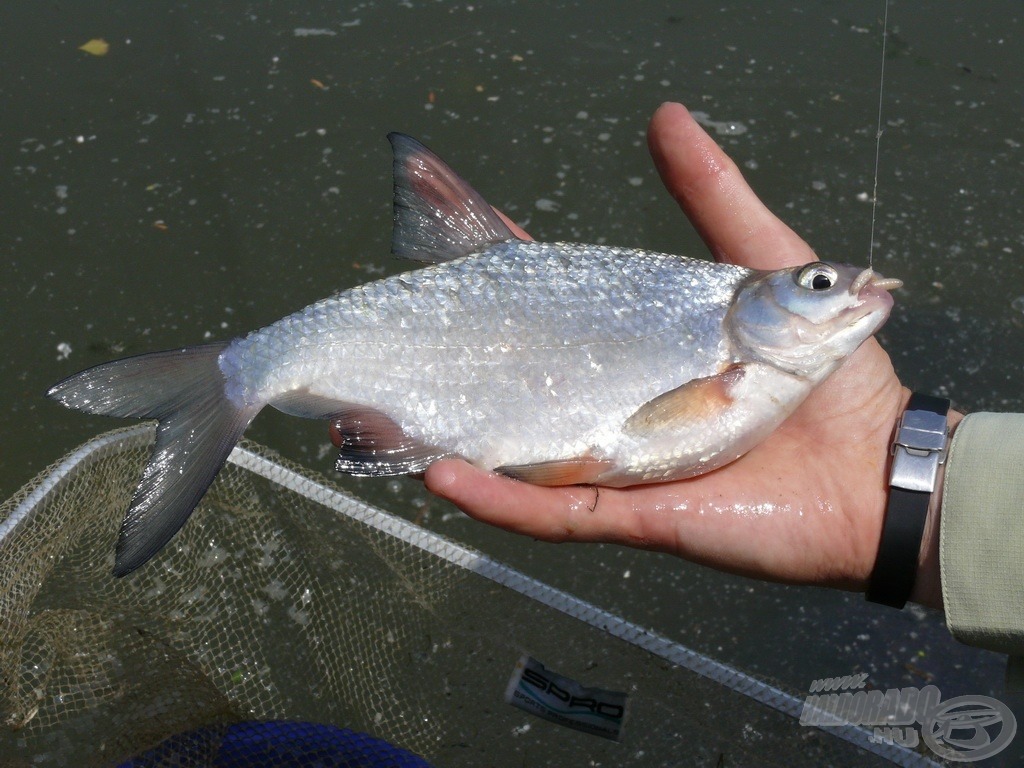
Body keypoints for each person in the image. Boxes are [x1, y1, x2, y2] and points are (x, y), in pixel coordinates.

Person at [332, 103, 1024, 666]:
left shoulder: (757, 360)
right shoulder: (733, 344)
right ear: (748, 304)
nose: (840, 290)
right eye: (816, 284)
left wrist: (901, 496)